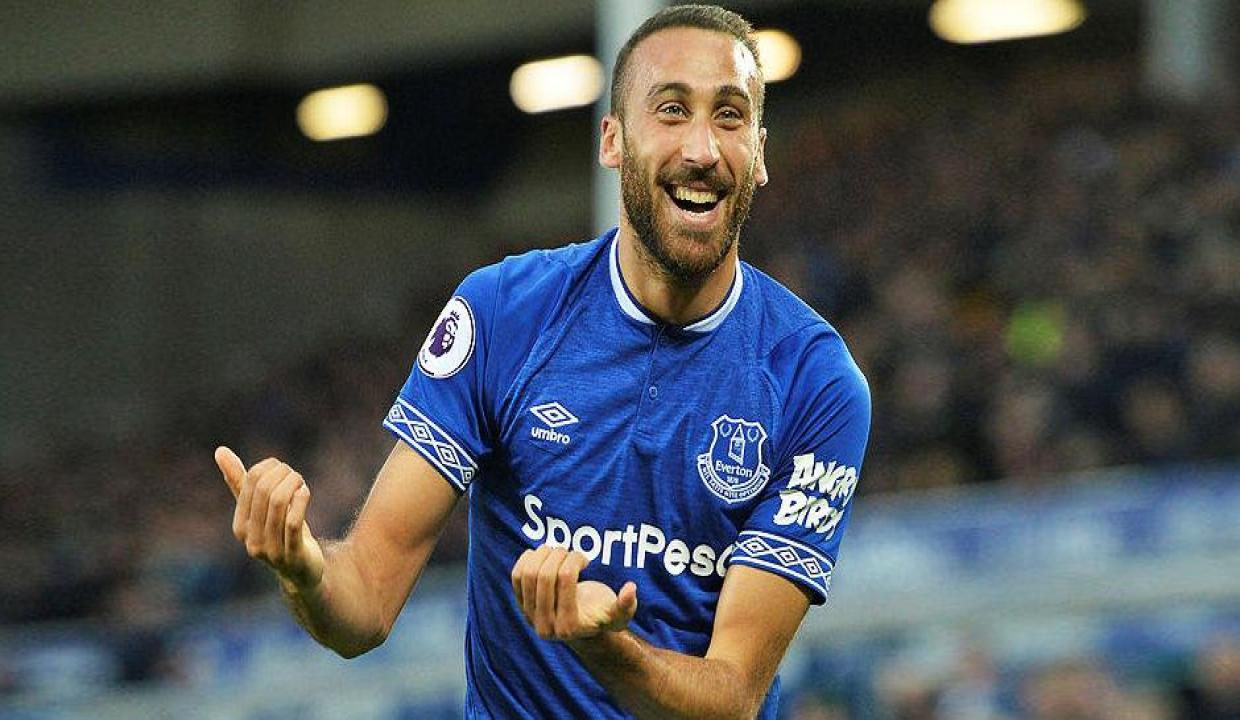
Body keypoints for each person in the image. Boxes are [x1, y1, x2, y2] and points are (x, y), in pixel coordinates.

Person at [216, 5, 870, 718]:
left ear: (760, 153)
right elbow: (366, 602)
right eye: (671, 111)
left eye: (730, 116)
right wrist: (304, 568)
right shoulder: (505, 314)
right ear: (613, 140)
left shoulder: (815, 383)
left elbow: (734, 696)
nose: (702, 148)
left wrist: (602, 646)